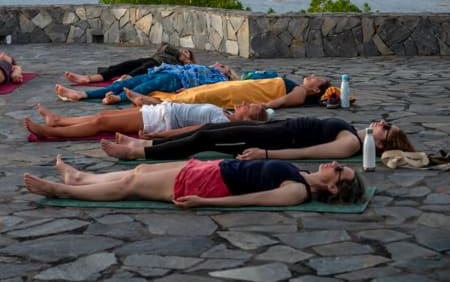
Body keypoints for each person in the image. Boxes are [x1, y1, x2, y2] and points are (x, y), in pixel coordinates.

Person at [23, 155, 366, 207]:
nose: (335, 164)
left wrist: (205, 203)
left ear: (333, 187)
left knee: (131, 187)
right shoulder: (302, 175)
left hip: (210, 186)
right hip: (212, 168)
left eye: (339, 170)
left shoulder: (298, 192)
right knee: (139, 172)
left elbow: (249, 201)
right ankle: (82, 177)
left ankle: (62, 190)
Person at [101, 117, 415, 161]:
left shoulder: (350, 143)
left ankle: (137, 155)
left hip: (275, 140)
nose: (382, 123)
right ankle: (144, 144)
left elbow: (308, 153)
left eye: (386, 128)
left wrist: (266, 154)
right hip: (274, 128)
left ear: (383, 144)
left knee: (207, 140)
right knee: (208, 129)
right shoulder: (353, 130)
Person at [24, 101, 269, 139]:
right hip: (162, 110)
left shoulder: (223, 122)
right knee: (104, 116)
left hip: (162, 121)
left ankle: (50, 131)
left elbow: (196, 129)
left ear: (249, 117)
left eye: (249, 107)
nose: (244, 103)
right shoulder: (224, 112)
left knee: (101, 124)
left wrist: (160, 136)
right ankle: (59, 120)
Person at [55, 62, 238, 105]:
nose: (216, 64)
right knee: (129, 82)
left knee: (144, 89)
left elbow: (208, 89)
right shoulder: (206, 68)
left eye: (222, 66)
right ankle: (82, 94)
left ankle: (119, 99)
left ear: (227, 74)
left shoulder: (219, 79)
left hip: (177, 80)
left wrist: (189, 89)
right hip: (168, 72)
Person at [124, 74, 331, 110]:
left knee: (201, 98)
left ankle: (153, 104)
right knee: (203, 90)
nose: (312, 76)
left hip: (245, 95)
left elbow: (284, 101)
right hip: (243, 87)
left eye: (316, 79)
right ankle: (153, 100)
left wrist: (262, 107)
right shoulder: (297, 86)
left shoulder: (300, 92)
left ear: (314, 89)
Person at [64, 42, 196, 84]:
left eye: (187, 53)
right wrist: (179, 54)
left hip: (157, 67)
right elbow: (165, 45)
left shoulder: (179, 66)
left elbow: (192, 70)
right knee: (122, 66)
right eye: (183, 50)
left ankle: (126, 79)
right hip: (150, 59)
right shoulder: (170, 51)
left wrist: (185, 62)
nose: (184, 52)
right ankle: (88, 78)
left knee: (145, 67)